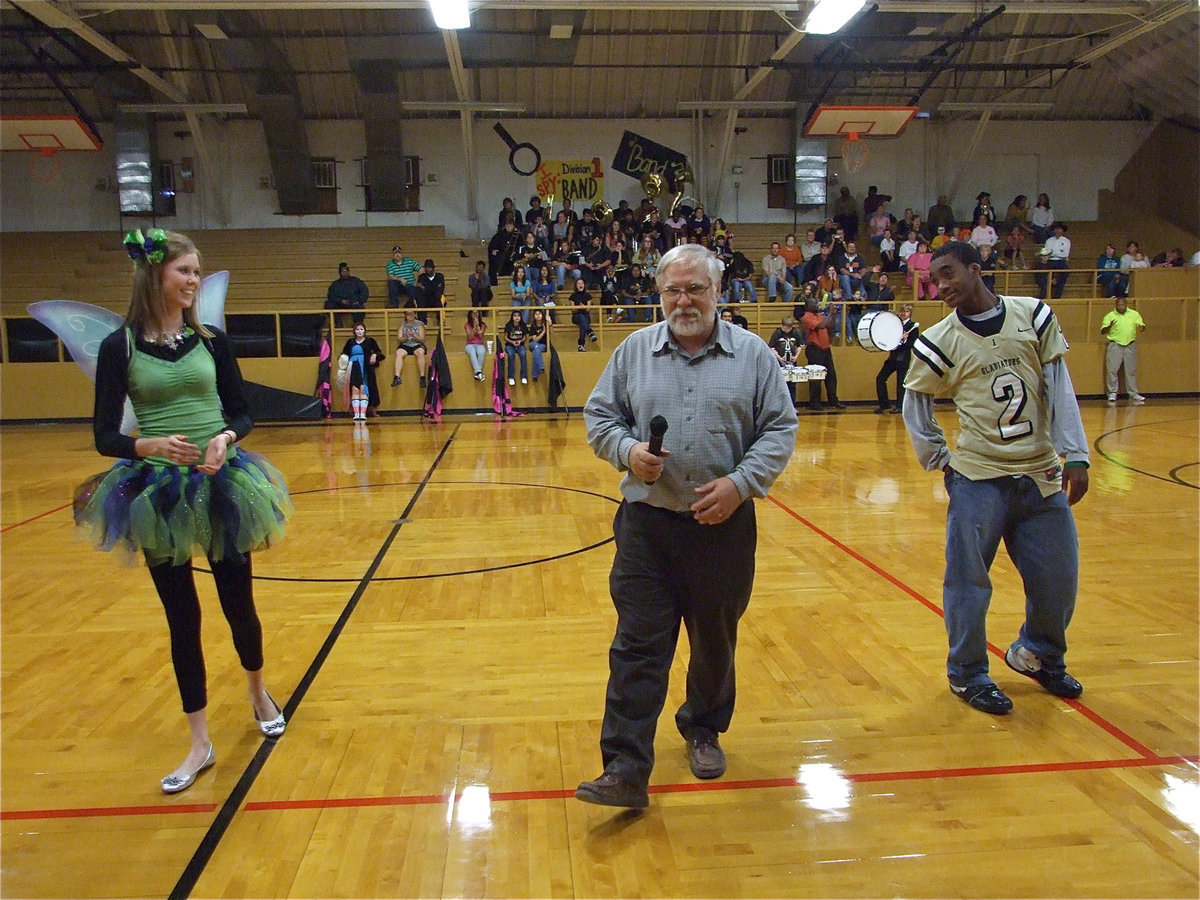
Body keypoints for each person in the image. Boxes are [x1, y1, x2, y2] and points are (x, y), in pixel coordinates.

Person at [576, 242, 798, 809]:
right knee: (637, 645)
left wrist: (740, 484)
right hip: (647, 528)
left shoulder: (753, 356)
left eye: (695, 288)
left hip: (722, 529)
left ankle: (703, 726)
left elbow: (779, 429)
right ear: (659, 293)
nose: (683, 300)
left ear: (718, 292)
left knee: (713, 643)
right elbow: (600, 416)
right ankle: (626, 767)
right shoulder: (633, 352)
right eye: (673, 289)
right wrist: (627, 452)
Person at [76, 231, 293, 794]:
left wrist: (223, 438)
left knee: (237, 602)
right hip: (158, 493)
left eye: (198, 272)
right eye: (185, 272)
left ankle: (257, 689)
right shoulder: (118, 348)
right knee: (182, 618)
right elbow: (103, 435)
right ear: (156, 277)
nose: (194, 281)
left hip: (221, 480)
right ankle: (199, 741)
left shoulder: (212, 340)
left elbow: (243, 414)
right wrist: (144, 445)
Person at [901, 241, 1090, 716]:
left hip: (1040, 475)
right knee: (968, 583)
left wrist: (1077, 454)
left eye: (947, 275)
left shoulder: (1033, 315)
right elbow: (916, 406)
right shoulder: (938, 340)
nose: (940, 287)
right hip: (979, 479)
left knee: (1058, 581)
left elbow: (1059, 387)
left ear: (975, 269)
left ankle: (1038, 654)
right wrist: (942, 460)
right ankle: (967, 673)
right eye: (933, 279)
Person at [800, 295, 845, 411]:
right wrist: (829, 313)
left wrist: (833, 314)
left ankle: (833, 400)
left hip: (825, 348)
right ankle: (815, 403)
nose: (817, 304)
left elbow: (830, 326)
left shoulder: (819, 316)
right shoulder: (806, 317)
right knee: (816, 377)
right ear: (808, 306)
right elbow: (821, 326)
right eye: (814, 303)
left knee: (831, 376)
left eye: (817, 302)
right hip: (814, 349)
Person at [1100, 297, 1147, 405]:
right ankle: (1112, 392)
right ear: (1116, 305)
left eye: (1122, 305)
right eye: (1119, 305)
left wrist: (1141, 327)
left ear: (1126, 304)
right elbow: (1103, 331)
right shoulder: (1110, 316)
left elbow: (1142, 325)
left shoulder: (1134, 314)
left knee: (1130, 371)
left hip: (1130, 344)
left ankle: (1133, 393)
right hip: (1115, 344)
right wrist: (1109, 326)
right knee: (1112, 370)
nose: (1121, 307)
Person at [874, 304, 917, 413]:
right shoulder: (896, 324)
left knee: (900, 383)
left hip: (903, 358)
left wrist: (905, 340)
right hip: (892, 358)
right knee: (880, 378)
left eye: (907, 311)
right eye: (902, 311)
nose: (904, 313)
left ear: (910, 314)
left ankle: (900, 406)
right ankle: (884, 403)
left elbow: (913, 344)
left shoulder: (913, 327)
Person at [343, 321, 384, 418]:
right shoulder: (350, 342)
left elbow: (379, 353)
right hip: (354, 367)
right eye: (357, 329)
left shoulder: (370, 341)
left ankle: (368, 411)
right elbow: (344, 354)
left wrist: (374, 355)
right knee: (354, 389)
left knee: (366, 388)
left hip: (366, 368)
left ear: (365, 331)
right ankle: (356, 412)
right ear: (354, 331)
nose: (359, 331)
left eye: (361, 329)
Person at [768, 315, 805, 407]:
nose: (788, 329)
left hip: (792, 362)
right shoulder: (777, 333)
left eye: (790, 327)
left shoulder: (795, 332)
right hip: (780, 363)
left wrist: (796, 356)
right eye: (786, 327)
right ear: (783, 325)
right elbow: (771, 347)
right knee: (781, 385)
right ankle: (781, 406)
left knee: (792, 385)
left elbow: (801, 345)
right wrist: (779, 358)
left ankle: (792, 406)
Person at [391, 309, 428, 389]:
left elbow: (422, 339)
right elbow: (399, 339)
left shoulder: (419, 324)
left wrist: (415, 336)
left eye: (411, 313)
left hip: (417, 344)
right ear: (405, 315)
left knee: (420, 352)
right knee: (399, 353)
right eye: (408, 314)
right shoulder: (402, 325)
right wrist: (406, 337)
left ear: (415, 314)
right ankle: (397, 377)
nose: (410, 316)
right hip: (405, 344)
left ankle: (422, 377)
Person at [1036, 222, 1071, 300]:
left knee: (1065, 273)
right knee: (1045, 272)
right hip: (1050, 261)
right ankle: (1045, 293)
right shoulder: (1049, 240)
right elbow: (1046, 252)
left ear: (1062, 230)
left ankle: (1057, 295)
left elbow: (1065, 254)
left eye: (1059, 229)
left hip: (1061, 261)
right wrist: (1055, 253)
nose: (1057, 231)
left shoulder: (1066, 241)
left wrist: (1053, 253)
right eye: (1056, 229)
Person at [569, 277, 598, 350]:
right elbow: (572, 310)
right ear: (576, 285)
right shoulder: (573, 296)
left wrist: (584, 307)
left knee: (583, 324)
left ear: (584, 285)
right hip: (576, 316)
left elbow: (588, 309)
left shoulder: (588, 295)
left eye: (582, 283)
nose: (580, 285)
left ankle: (581, 345)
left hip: (586, 315)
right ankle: (590, 332)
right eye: (578, 283)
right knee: (581, 316)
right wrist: (578, 307)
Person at [414, 258, 445, 325]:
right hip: (426, 299)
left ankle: (440, 320)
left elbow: (440, 289)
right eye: (427, 267)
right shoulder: (422, 277)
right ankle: (422, 321)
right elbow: (420, 289)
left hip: (436, 299)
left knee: (438, 296)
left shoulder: (440, 276)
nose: (428, 269)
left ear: (433, 268)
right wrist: (434, 287)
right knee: (420, 297)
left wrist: (426, 288)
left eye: (430, 267)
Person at [502, 309, 528, 385]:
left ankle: (523, 376)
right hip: (510, 345)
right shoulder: (508, 325)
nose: (517, 317)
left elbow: (525, 337)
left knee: (523, 354)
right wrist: (512, 342)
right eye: (515, 316)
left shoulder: (523, 325)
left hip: (520, 345)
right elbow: (505, 337)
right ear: (512, 317)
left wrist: (520, 341)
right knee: (510, 355)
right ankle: (511, 377)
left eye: (518, 316)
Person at [464, 308, 487, 382]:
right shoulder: (467, 325)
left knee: (482, 352)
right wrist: (474, 328)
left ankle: (477, 373)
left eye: (477, 313)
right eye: (473, 313)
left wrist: (478, 328)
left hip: (479, 344)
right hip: (469, 345)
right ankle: (479, 372)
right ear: (470, 315)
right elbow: (469, 338)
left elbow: (481, 337)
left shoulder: (483, 325)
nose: (475, 315)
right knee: (472, 352)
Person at [528, 307, 551, 382]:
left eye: (539, 314)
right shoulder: (533, 326)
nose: (538, 316)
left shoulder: (546, 324)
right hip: (533, 344)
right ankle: (541, 367)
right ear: (534, 316)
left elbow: (552, 333)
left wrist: (550, 323)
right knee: (536, 347)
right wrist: (544, 331)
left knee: (536, 351)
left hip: (543, 345)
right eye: (536, 314)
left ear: (542, 315)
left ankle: (535, 375)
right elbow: (535, 339)